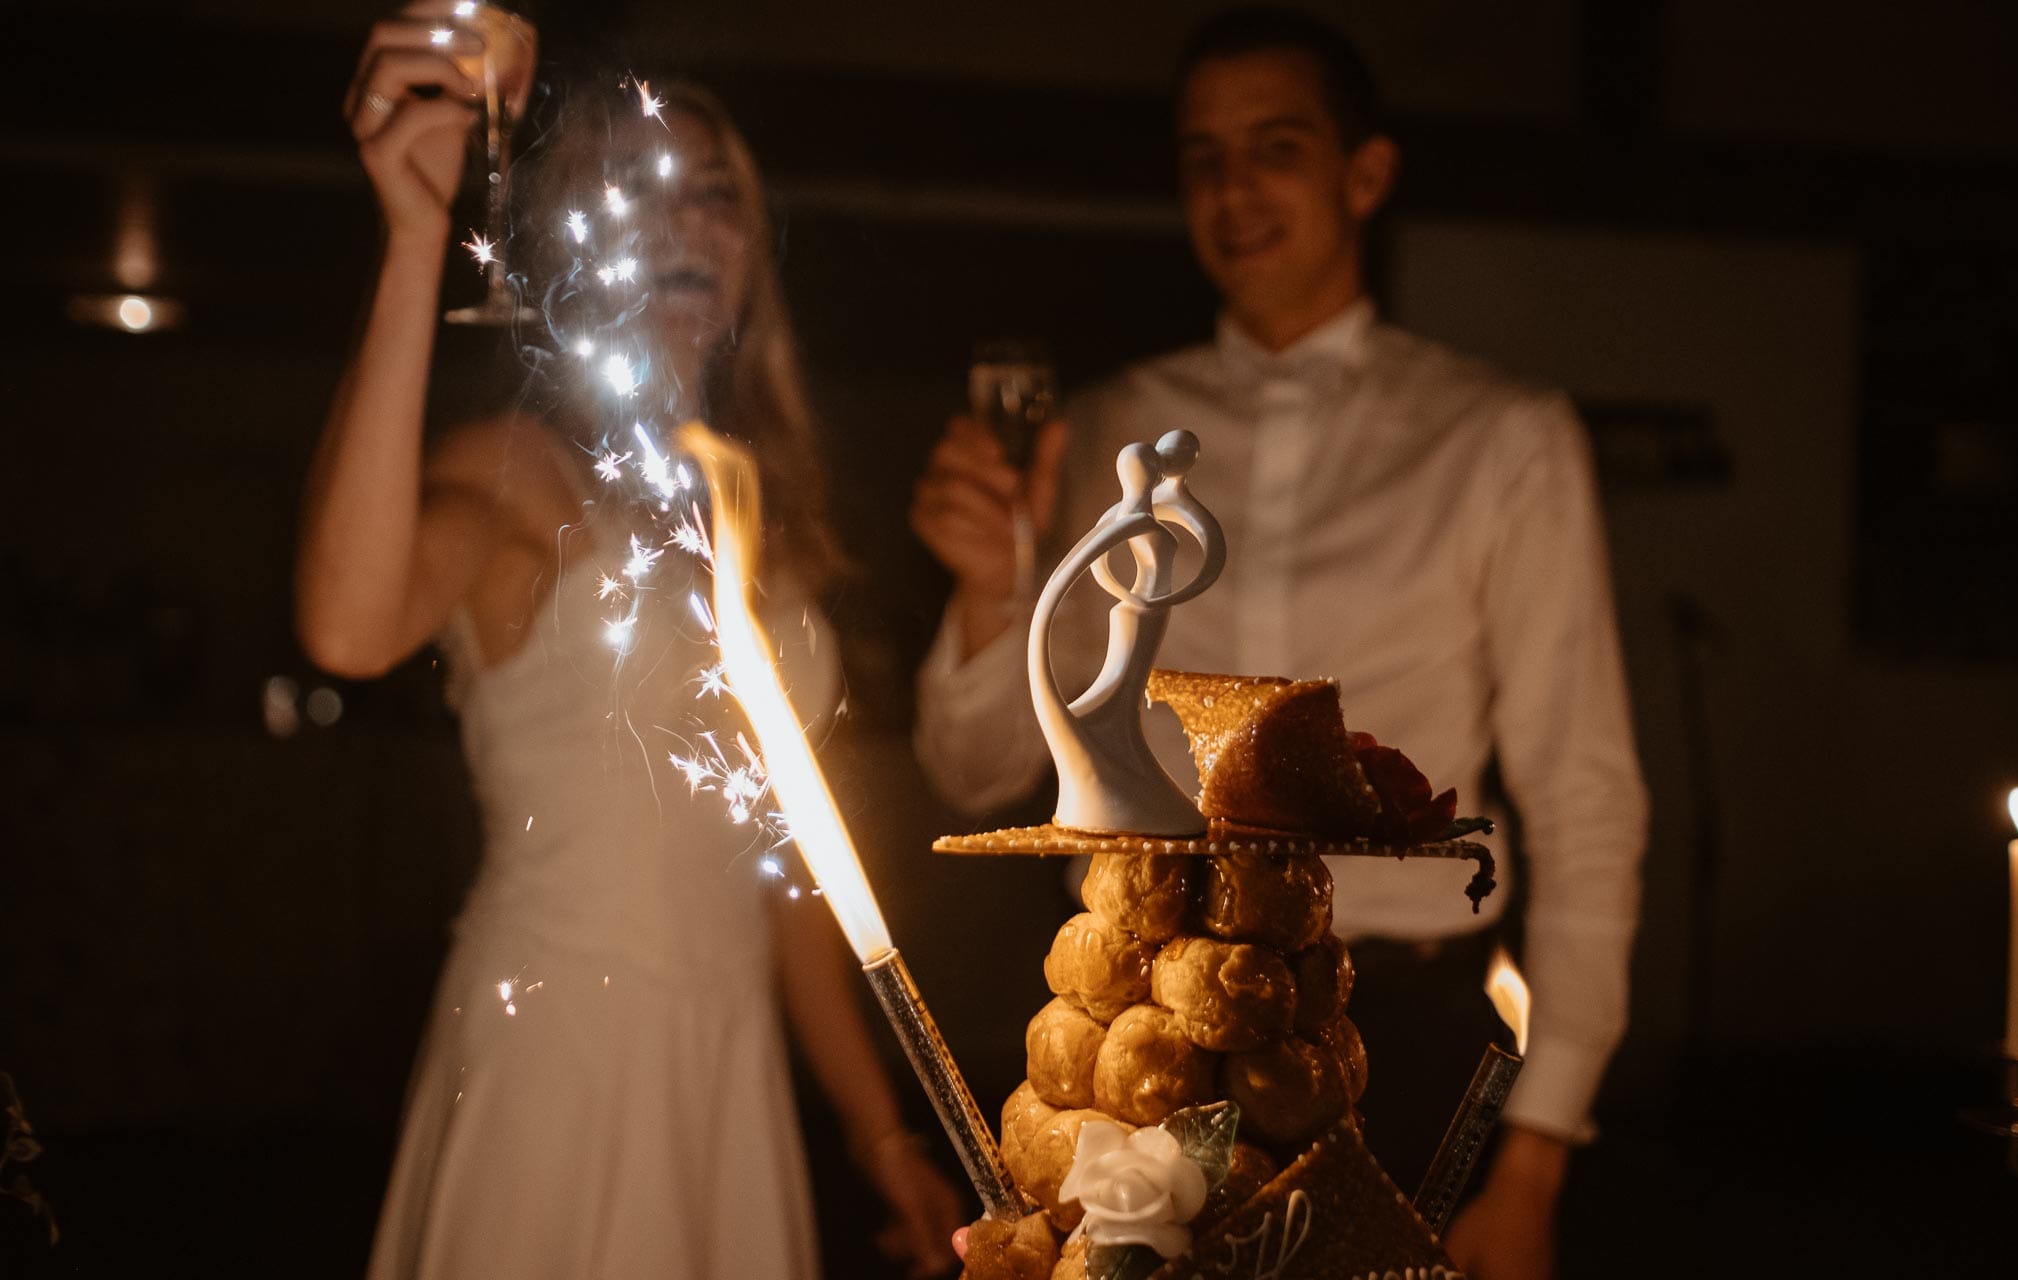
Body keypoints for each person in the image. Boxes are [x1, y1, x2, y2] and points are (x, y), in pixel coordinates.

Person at [911, 8, 1648, 1279]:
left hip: (1393, 1029)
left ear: (1365, 174)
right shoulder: (1106, 428)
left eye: (1274, 148)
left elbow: (1583, 796)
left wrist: (1532, 1153)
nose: (1231, 189)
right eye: (1202, 156)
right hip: (1131, 1033)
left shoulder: (1501, 437)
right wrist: (988, 591)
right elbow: (973, 771)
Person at [299, 11, 961, 1277]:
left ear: (751, 251)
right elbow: (343, 624)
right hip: (560, 1057)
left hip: (730, 1070)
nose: (679, 219)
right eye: (629, 192)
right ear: (561, 248)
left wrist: (884, 1139)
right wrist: (415, 233)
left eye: (713, 192)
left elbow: (788, 893)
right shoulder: (510, 478)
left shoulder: (755, 507)